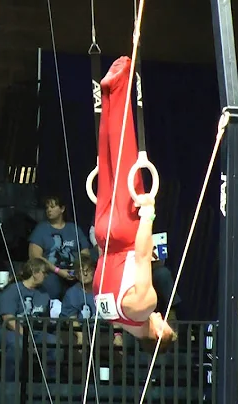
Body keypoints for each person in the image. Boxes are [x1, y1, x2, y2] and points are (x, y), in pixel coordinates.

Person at [91, 56, 176, 348]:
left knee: (126, 154)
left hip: (127, 235)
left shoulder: (145, 305)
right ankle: (107, 94)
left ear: (159, 334)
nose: (164, 316)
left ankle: (121, 83)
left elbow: (141, 257)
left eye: (166, 324)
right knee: (107, 159)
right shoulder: (112, 318)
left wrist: (148, 214)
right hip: (103, 235)